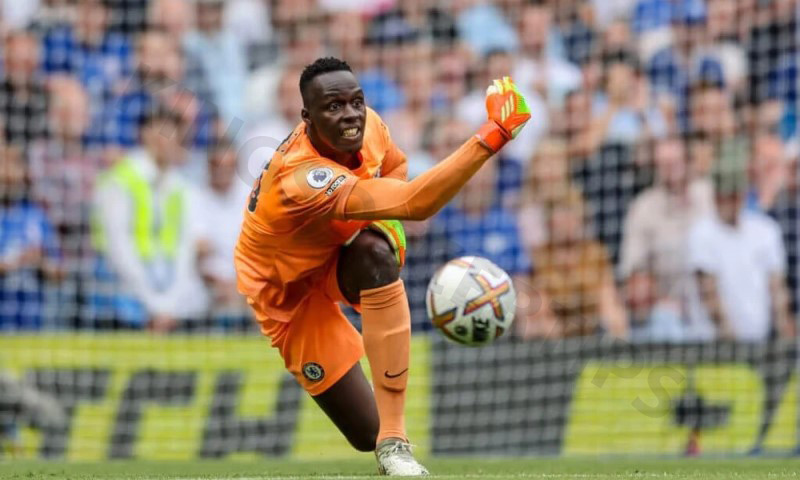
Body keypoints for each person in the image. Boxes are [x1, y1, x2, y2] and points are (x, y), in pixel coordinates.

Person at [234, 57, 530, 475]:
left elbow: (395, 170)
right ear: (307, 118)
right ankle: (380, 425)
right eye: (333, 107)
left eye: (355, 101)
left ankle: (395, 445)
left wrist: (381, 228)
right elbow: (416, 203)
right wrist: (493, 134)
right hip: (286, 290)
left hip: (336, 253)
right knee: (362, 431)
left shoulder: (370, 126)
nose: (350, 115)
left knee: (375, 255)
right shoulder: (301, 178)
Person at [93, 106, 209, 331]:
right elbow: (118, 250)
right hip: (122, 301)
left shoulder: (180, 187)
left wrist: (169, 305)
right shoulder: (119, 181)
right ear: (145, 134)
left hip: (170, 302)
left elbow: (184, 250)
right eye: (164, 131)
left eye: (177, 132)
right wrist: (155, 304)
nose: (172, 139)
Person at [688, 139, 795, 341]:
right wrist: (734, 345)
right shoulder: (702, 234)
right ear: (716, 194)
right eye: (726, 194)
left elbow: (778, 292)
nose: (731, 200)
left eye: (736, 193)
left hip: (760, 346)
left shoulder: (766, 230)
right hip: (715, 349)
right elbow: (710, 298)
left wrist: (785, 341)